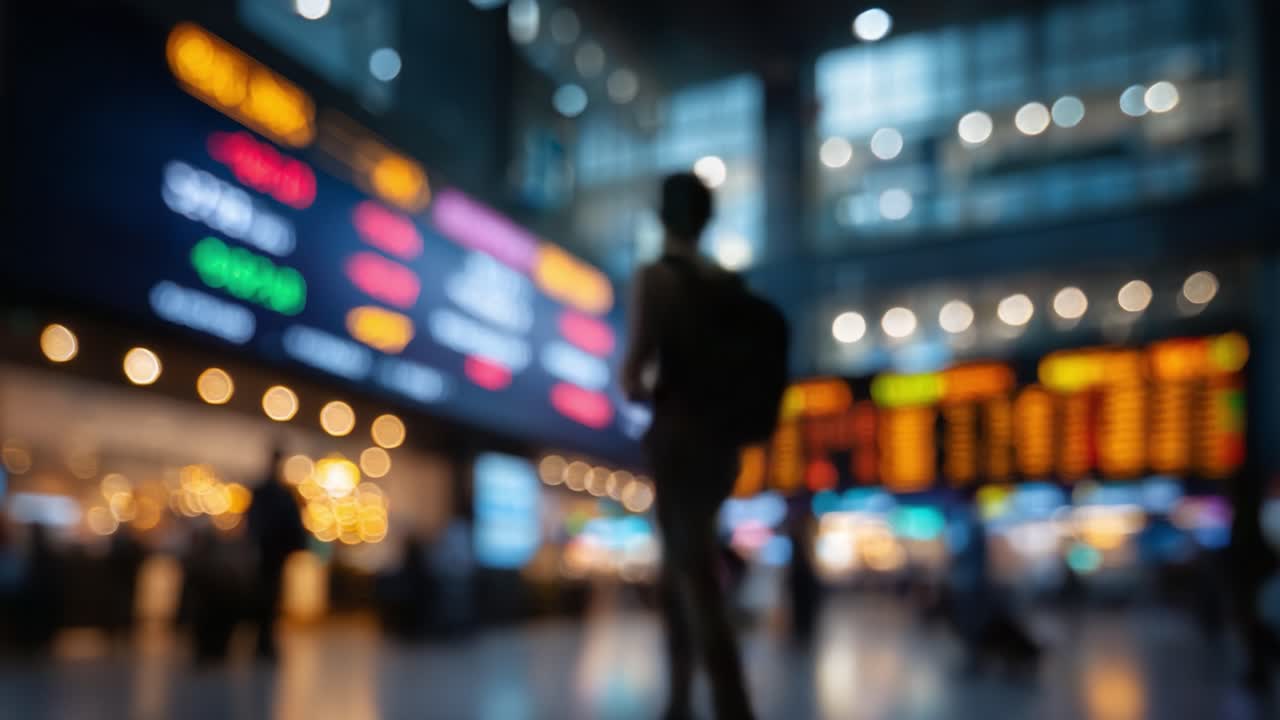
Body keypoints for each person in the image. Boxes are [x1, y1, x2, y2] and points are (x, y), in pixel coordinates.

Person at [622, 172, 755, 720]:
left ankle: (730, 704)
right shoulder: (728, 285)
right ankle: (680, 700)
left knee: (691, 573)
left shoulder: (656, 278)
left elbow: (633, 374)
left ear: (662, 217)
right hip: (720, 452)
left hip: (677, 447)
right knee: (684, 571)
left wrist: (651, 389)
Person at [245, 448, 307, 660]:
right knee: (267, 597)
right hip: (269, 553)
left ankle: (264, 640)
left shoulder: (271, 493)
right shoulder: (275, 494)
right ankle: (263, 641)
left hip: (269, 553)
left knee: (268, 597)